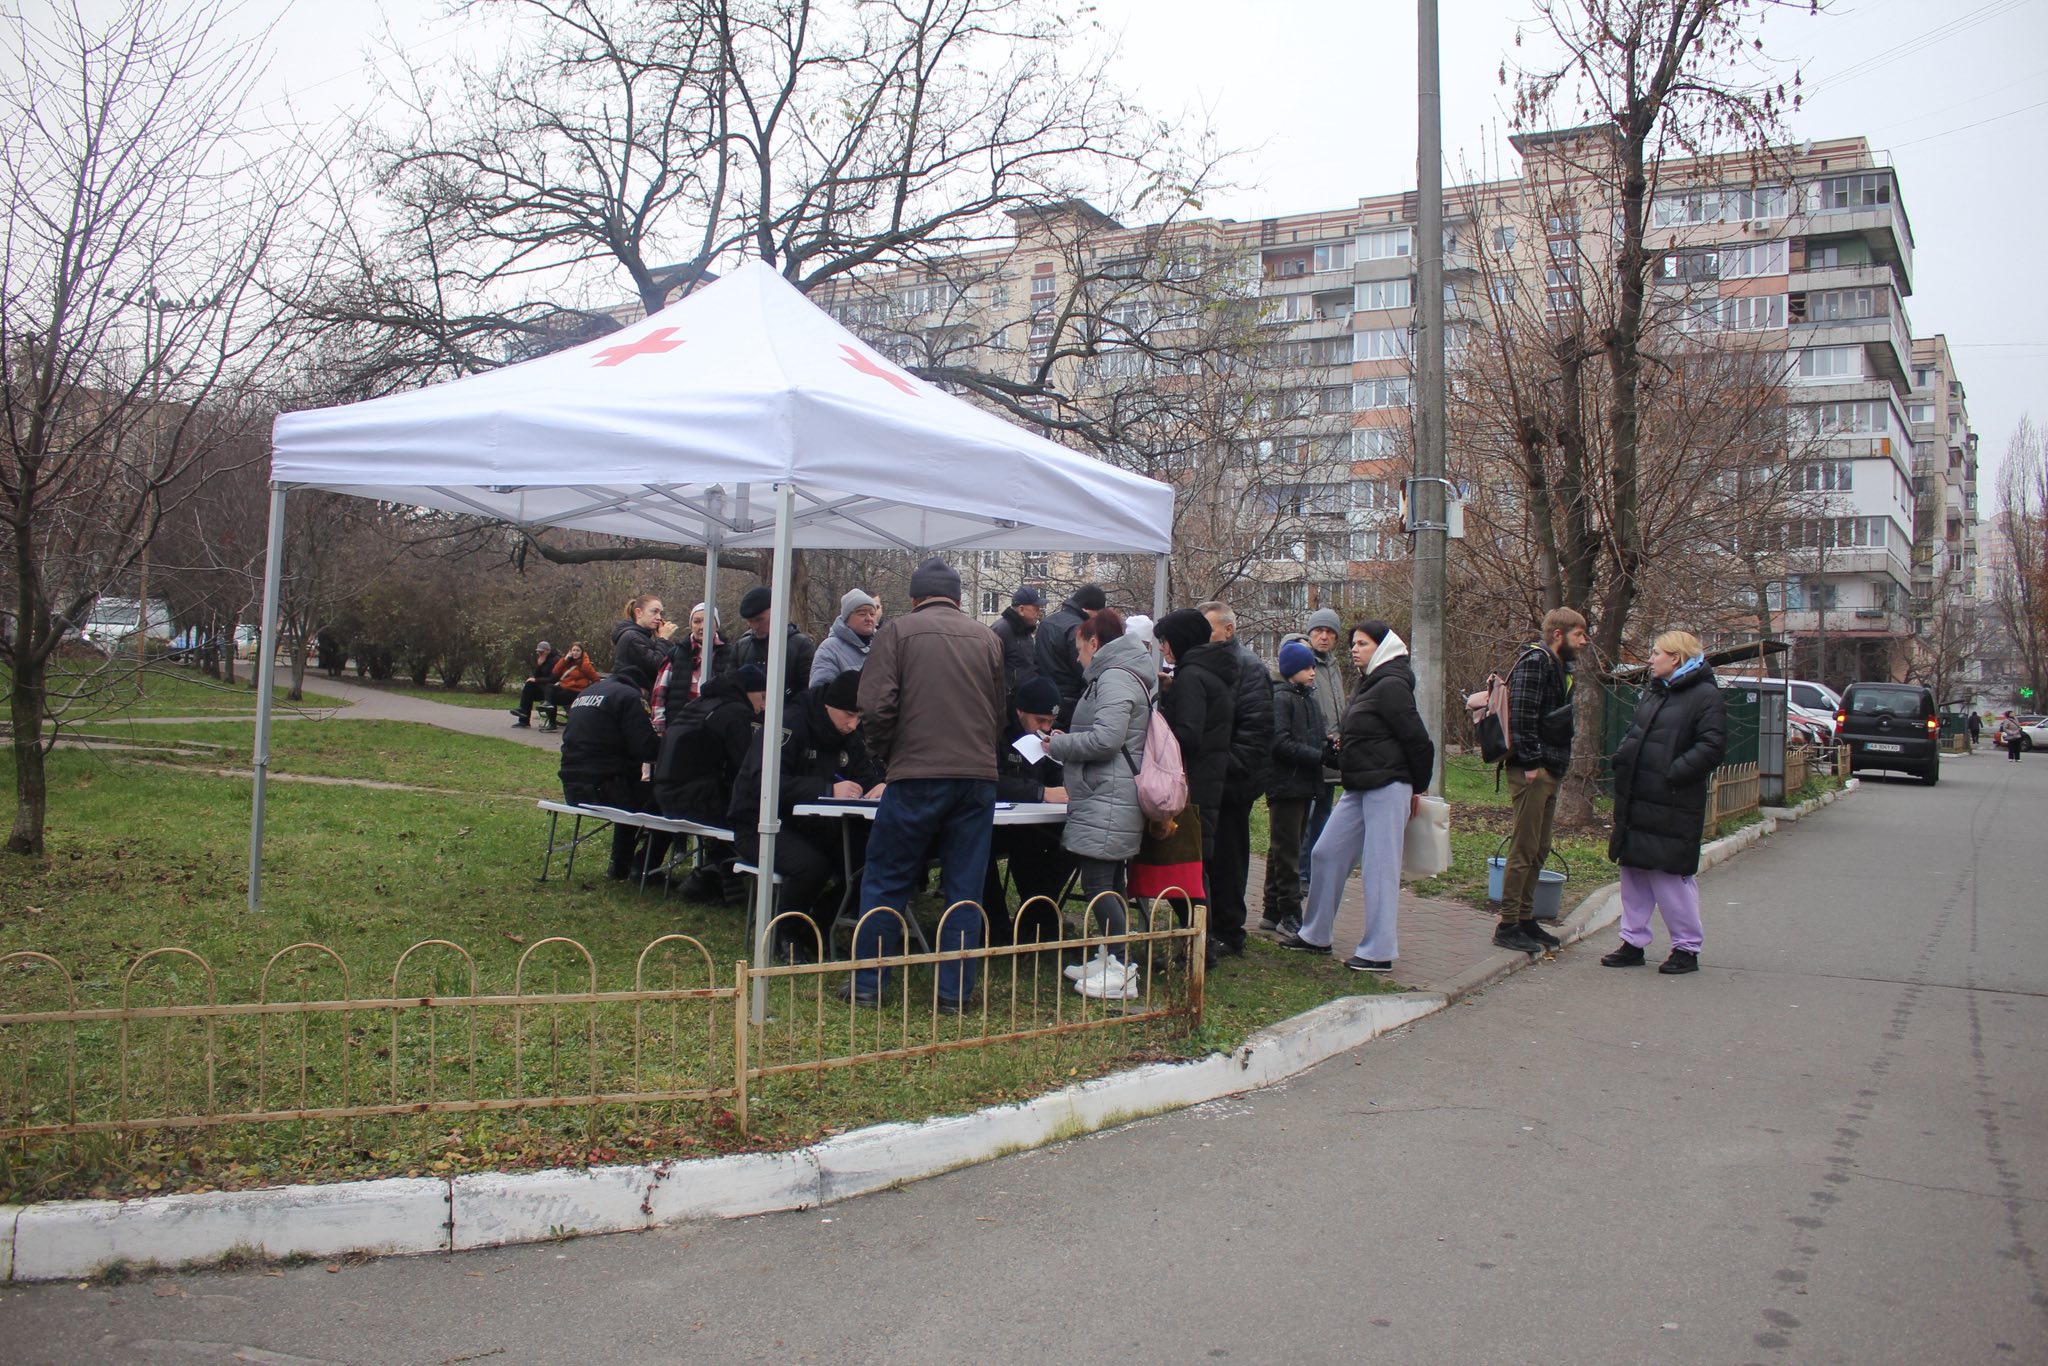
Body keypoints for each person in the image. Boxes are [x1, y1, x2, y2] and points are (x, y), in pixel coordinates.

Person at [848, 557, 1006, 1009]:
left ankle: (867, 985)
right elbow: (997, 712)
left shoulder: (895, 632)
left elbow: (876, 706)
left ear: (915, 598)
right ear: (957, 599)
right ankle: (954, 994)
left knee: (887, 878)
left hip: (916, 773)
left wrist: (885, 754)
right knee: (964, 886)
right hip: (975, 778)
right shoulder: (986, 638)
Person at [1279, 622, 1434, 972]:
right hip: (1359, 784)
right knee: (1325, 853)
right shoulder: (1370, 682)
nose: (1354, 648)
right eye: (1353, 643)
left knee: (1379, 868)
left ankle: (1379, 951)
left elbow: (1418, 740)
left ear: (1383, 647)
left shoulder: (1392, 684)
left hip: (1388, 785)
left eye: (1362, 643)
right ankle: (1316, 934)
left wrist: (1417, 786)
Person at [729, 670, 883, 961]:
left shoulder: (848, 734)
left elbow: (864, 771)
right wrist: (827, 789)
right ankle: (785, 934)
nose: (854, 724)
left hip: (815, 824)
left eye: (860, 717)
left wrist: (879, 786)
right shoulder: (789, 723)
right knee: (811, 866)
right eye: (849, 715)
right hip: (759, 823)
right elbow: (765, 781)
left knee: (874, 859)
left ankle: (821, 922)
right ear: (828, 705)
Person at [1601, 631, 1729, 975]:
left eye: (1656, 653)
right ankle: (1632, 943)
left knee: (1670, 877)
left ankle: (1686, 948)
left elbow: (1712, 746)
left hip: (1673, 801)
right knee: (1634, 874)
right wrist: (1623, 757)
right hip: (1638, 797)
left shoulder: (1704, 696)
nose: (1651, 658)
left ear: (1676, 658)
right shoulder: (1654, 692)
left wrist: (1673, 772)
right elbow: (1635, 733)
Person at [1046, 609, 1157, 1000]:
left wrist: (1056, 745)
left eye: (1080, 649)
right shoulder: (1122, 675)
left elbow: (1106, 740)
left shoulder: (1113, 678)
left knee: (1097, 882)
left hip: (1109, 795)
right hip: (1108, 794)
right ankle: (1109, 956)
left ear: (1095, 644)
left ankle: (1124, 969)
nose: (1077, 658)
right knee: (1109, 880)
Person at [1495, 607, 1589, 955]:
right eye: (1579, 634)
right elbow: (1521, 714)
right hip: (1532, 771)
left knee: (1540, 847)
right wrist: (1532, 762)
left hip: (1550, 767)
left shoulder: (1560, 666)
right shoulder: (1536, 663)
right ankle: (1507, 924)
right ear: (1558, 634)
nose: (1584, 641)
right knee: (1523, 848)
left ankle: (1525, 917)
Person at [1148, 608, 1236, 963]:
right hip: (1207, 780)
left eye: (1166, 641)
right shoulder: (1210, 672)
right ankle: (1199, 943)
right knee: (1192, 869)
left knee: (1184, 869)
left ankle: (1198, 946)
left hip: (1190, 786)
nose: (1164, 649)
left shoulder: (1192, 677)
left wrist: (1160, 719)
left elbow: (1187, 735)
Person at [1198, 601, 1272, 963]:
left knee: (1229, 859)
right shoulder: (1203, 665)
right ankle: (1207, 928)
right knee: (1208, 862)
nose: (1203, 636)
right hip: (1210, 781)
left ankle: (1229, 931)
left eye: (1208, 628)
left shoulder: (1250, 668)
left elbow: (1255, 731)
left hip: (1232, 784)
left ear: (1228, 630)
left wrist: (1223, 768)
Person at [655, 663, 767, 903]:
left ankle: (716, 876)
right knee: (752, 810)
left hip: (666, 794)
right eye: (763, 696)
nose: (764, 705)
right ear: (748, 691)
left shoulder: (699, 704)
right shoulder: (737, 713)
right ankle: (715, 875)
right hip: (696, 800)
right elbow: (745, 766)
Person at [982, 675, 1073, 949]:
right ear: (1020, 711)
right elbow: (990, 776)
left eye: (1051, 722)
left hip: (1031, 824)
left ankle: (1035, 915)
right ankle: (998, 925)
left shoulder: (1044, 734)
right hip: (993, 824)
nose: (1045, 728)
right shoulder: (996, 728)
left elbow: (1056, 776)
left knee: (1069, 845)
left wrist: (1060, 754)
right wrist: (1041, 793)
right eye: (1040, 721)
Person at [558, 661, 663, 880]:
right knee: (662, 799)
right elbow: (645, 747)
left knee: (630, 789)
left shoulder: (587, 693)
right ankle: (640, 867)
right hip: (605, 788)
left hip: (572, 785)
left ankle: (620, 865)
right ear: (643, 688)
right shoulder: (629, 697)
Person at [1260, 639, 1325, 937]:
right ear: (1290, 670)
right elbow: (1281, 743)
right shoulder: (1281, 699)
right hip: (1285, 784)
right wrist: (1317, 756)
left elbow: (1315, 736)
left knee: (1283, 848)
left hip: (1304, 783)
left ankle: (1272, 910)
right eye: (1305, 667)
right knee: (1288, 852)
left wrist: (1328, 748)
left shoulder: (1308, 699)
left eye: (1313, 666)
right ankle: (1290, 912)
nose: (1312, 672)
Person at [1281, 607, 1345, 895]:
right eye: (1319, 630)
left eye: (1330, 632)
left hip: (1331, 753)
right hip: (1307, 753)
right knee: (1302, 821)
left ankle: (1312, 872)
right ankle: (1301, 876)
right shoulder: (1301, 662)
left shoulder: (1333, 665)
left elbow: (1337, 706)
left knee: (1323, 818)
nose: (1324, 636)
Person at [1035, 583, 1107, 729]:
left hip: (1044, 696)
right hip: (1071, 701)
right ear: (1088, 609)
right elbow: (1085, 670)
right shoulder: (1080, 628)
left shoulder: (1046, 623)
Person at [725, 585, 817, 698]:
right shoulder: (741, 647)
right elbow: (730, 687)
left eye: (759, 619)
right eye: (750, 621)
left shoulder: (801, 646)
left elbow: (809, 692)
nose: (754, 626)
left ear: (776, 612)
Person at [651, 603, 727, 729]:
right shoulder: (676, 654)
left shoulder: (729, 653)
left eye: (707, 621)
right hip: (680, 727)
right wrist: (659, 727)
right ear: (690, 625)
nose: (702, 626)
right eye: (697, 621)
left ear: (716, 625)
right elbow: (660, 692)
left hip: (716, 728)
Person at [809, 588, 882, 689]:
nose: (869, 618)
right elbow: (819, 693)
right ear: (847, 619)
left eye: (872, 614)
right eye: (862, 614)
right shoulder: (829, 649)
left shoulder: (882, 645)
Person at [992, 586, 1046, 697]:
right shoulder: (1001, 630)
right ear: (1021, 609)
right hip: (1008, 702)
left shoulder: (1024, 629)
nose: (1039, 613)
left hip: (1023, 699)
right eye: (1036, 609)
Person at [612, 594, 680, 681]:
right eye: (654, 612)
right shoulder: (632, 637)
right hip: (631, 691)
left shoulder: (643, 637)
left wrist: (659, 640)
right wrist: (663, 639)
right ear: (639, 613)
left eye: (660, 613)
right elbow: (658, 666)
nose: (659, 618)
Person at [543, 642, 600, 727]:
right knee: (549, 687)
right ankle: (548, 705)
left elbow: (596, 679)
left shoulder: (585, 664)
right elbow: (555, 671)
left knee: (553, 697)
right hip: (564, 687)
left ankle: (551, 723)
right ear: (570, 651)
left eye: (577, 651)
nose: (575, 653)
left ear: (582, 652)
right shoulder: (568, 661)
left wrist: (589, 691)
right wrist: (565, 659)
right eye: (573, 650)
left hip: (576, 690)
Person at [510, 640, 563, 728]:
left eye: (541, 652)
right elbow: (536, 676)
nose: (539, 654)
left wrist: (537, 680)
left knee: (547, 688)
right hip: (543, 687)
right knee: (529, 685)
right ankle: (523, 716)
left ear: (547, 650)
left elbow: (554, 679)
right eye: (538, 652)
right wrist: (539, 665)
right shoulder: (542, 659)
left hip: (553, 688)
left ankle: (552, 723)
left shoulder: (556, 660)